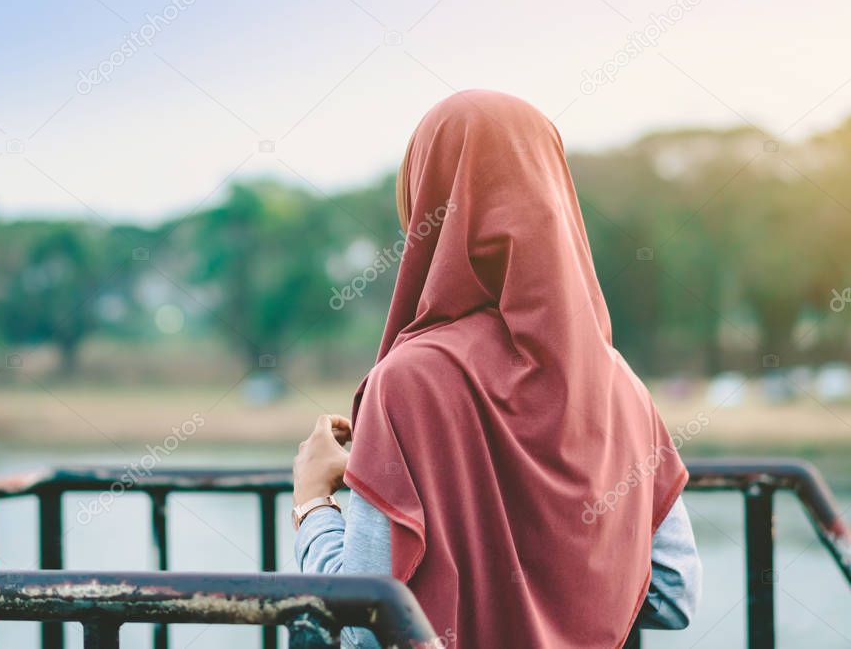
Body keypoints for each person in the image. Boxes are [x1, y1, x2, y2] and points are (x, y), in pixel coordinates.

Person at [291, 90, 701, 648]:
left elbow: (364, 630)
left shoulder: (407, 385)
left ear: (425, 198)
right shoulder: (618, 383)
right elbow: (673, 594)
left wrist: (313, 502)